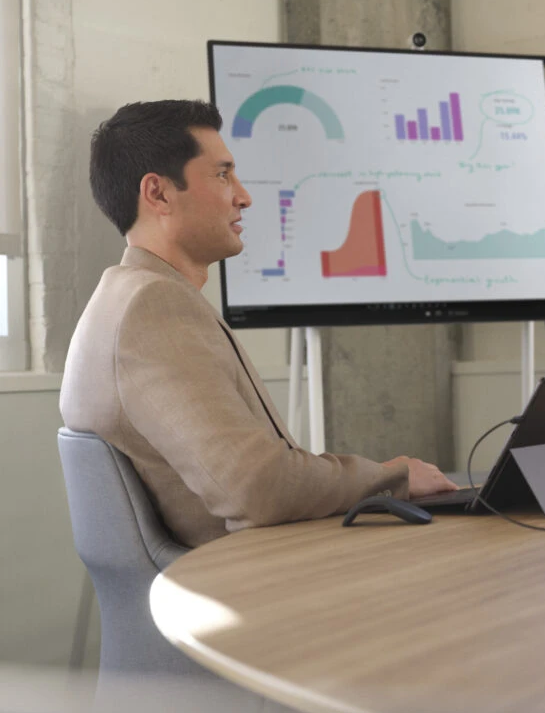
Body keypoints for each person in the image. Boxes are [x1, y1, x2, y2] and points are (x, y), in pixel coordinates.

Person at [60, 100, 457, 547]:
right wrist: (390, 477)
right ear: (158, 193)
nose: (243, 196)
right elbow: (256, 489)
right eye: (223, 174)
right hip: (249, 583)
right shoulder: (152, 307)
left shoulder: (127, 296)